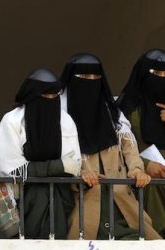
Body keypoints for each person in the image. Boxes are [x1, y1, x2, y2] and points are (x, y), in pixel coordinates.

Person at [60, 52, 160, 240]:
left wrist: (137, 170)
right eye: (83, 77)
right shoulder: (61, 118)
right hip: (85, 207)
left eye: (95, 77)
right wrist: (79, 173)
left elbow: (129, 149)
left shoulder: (113, 115)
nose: (90, 82)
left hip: (123, 205)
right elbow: (59, 157)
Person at [0, 68, 81, 239]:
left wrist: (58, 168)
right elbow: (13, 170)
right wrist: (57, 166)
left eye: (54, 96)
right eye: (45, 96)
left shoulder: (65, 121)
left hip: (59, 195)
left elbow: (74, 165)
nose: (50, 100)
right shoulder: (12, 121)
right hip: (24, 196)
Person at [117, 48, 165, 238]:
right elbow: (116, 149)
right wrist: (145, 165)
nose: (162, 78)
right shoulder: (127, 111)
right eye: (156, 74)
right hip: (143, 180)